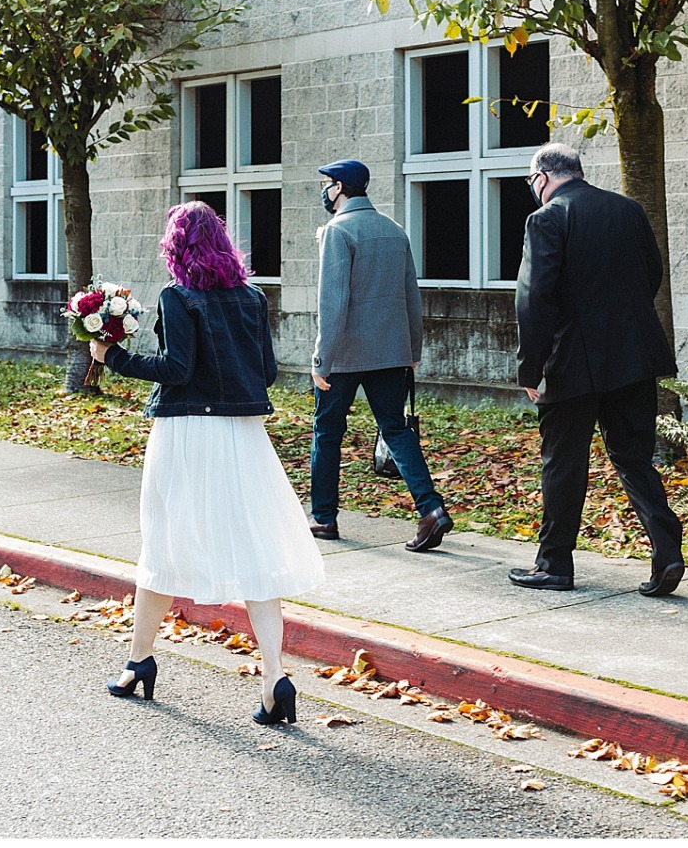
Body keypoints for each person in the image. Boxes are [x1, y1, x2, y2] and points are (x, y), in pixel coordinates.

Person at [91, 201, 325, 726]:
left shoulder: (177, 297)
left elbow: (177, 368)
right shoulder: (253, 297)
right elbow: (265, 371)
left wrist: (114, 358)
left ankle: (138, 662)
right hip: (243, 435)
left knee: (163, 546)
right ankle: (273, 677)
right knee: (255, 553)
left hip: (187, 433)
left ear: (175, 249)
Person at [510, 141, 685, 597]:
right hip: (633, 358)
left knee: (563, 462)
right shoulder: (628, 210)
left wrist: (530, 369)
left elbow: (534, 299)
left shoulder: (546, 218)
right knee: (633, 457)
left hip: (570, 363)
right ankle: (667, 551)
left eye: (532, 183)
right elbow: (653, 274)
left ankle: (554, 564)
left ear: (543, 177)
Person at [307, 158, 452, 551]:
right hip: (391, 352)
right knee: (396, 430)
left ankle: (323, 519)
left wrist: (322, 359)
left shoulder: (337, 231)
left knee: (327, 432)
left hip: (345, 355)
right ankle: (431, 509)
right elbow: (411, 295)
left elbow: (332, 303)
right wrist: (413, 349)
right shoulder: (394, 230)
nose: (323, 190)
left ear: (340, 187)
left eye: (326, 183)